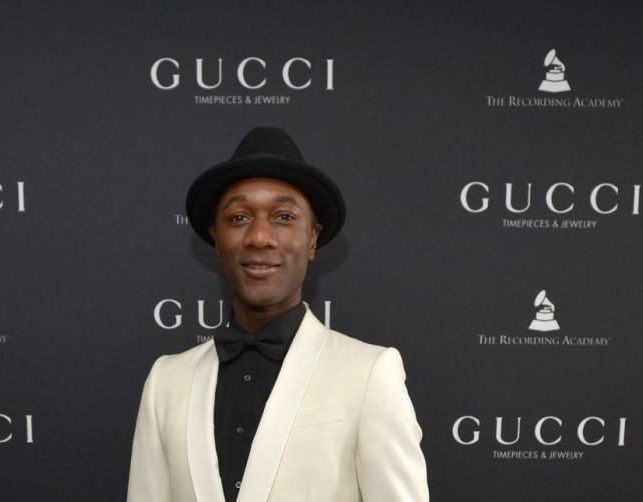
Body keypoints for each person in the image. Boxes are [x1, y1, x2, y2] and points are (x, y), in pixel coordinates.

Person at [127, 127, 429, 502]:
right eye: (239, 218)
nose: (259, 237)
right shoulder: (166, 382)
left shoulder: (370, 374)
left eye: (284, 217)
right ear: (216, 241)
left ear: (312, 239)